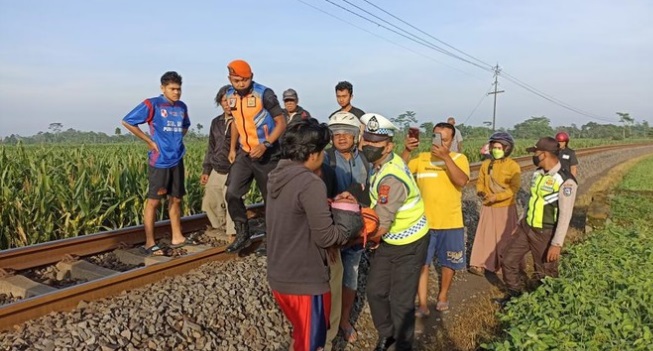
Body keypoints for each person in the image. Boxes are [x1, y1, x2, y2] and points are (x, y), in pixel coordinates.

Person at [266, 120, 363, 351]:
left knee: (301, 337)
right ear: (312, 154)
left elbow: (297, 216)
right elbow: (327, 238)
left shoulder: (277, 175)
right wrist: (351, 225)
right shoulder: (311, 183)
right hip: (306, 282)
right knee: (313, 344)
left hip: (280, 276)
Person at [360, 113, 430, 351]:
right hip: (391, 241)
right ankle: (387, 334)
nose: (368, 146)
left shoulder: (391, 178)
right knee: (375, 291)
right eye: (365, 141)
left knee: (401, 302)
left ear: (388, 146)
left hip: (410, 242)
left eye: (375, 143)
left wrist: (353, 238)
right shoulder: (381, 164)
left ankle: (403, 346)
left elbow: (382, 225)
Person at [121, 71, 195, 254]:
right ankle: (149, 242)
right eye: (172, 89)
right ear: (163, 88)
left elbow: (185, 126)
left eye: (179, 89)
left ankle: (177, 236)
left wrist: (175, 140)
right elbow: (128, 121)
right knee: (154, 201)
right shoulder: (152, 104)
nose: (176, 92)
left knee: (176, 199)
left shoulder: (181, 107)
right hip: (159, 161)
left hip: (177, 158)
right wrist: (150, 141)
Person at [403, 122, 470, 316]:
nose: (439, 142)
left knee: (449, 263)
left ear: (452, 141)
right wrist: (407, 150)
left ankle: (442, 296)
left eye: (445, 139)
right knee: (422, 263)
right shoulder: (422, 158)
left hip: (451, 222)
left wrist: (446, 157)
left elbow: (462, 181)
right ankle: (422, 303)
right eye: (436, 137)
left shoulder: (460, 158)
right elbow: (399, 169)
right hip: (423, 224)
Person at [500, 137, 577, 300]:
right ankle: (516, 296)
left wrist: (556, 244)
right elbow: (531, 200)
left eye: (535, 153)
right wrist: (521, 221)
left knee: (545, 273)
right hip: (526, 228)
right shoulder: (537, 174)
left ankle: (547, 304)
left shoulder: (566, 181)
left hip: (545, 232)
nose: (533, 156)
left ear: (544, 155)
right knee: (508, 260)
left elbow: (565, 214)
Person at [224, 60, 287, 256]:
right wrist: (233, 148)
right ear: (230, 79)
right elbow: (235, 121)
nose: (241, 84)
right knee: (232, 193)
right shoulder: (229, 96)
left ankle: (272, 240)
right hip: (245, 152)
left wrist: (265, 144)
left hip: (267, 152)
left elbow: (281, 122)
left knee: (271, 199)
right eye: (237, 80)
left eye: (245, 80)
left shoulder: (264, 94)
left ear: (251, 77)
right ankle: (243, 233)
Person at [323, 111, 370, 346]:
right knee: (330, 278)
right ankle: (328, 323)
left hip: (357, 231)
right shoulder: (325, 159)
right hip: (333, 231)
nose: (341, 137)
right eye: (336, 133)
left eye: (347, 133)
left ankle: (344, 321)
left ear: (355, 136)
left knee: (351, 275)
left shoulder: (364, 160)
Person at [468, 132, 521, 276]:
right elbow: (480, 182)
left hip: (506, 208)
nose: (496, 150)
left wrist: (496, 197)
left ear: (507, 149)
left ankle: (504, 266)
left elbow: (513, 189)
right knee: (485, 236)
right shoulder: (485, 165)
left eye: (499, 148)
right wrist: (481, 192)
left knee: (505, 238)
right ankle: (479, 263)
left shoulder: (513, 166)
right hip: (488, 206)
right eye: (494, 147)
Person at [200, 85, 236, 240]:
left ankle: (232, 233)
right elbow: (211, 146)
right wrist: (206, 170)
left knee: (231, 201)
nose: (227, 104)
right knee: (210, 202)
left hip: (234, 168)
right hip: (216, 166)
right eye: (224, 101)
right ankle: (221, 225)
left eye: (230, 101)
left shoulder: (242, 121)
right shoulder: (216, 122)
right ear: (220, 103)